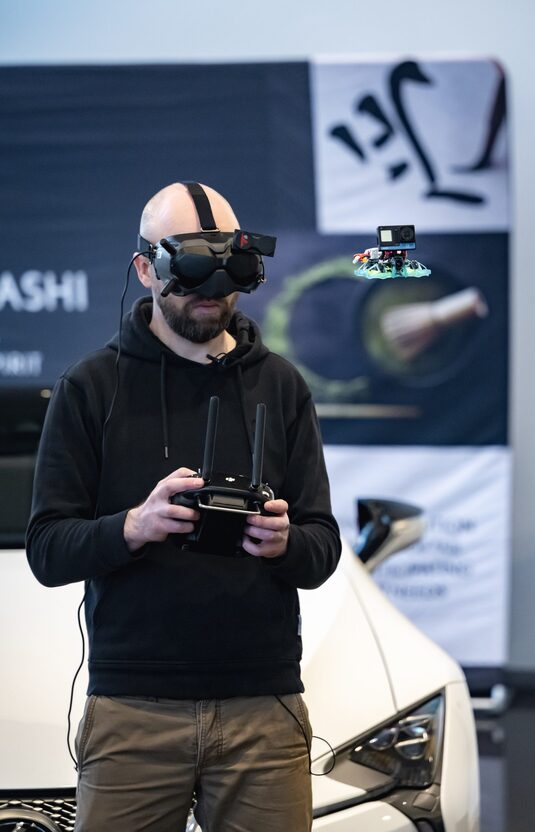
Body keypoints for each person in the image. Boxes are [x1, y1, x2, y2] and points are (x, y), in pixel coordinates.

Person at [26, 181, 342, 832]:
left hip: (263, 705)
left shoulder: (279, 385)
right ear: (145, 268)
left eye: (228, 268)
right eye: (191, 269)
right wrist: (134, 527)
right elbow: (49, 550)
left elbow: (321, 547)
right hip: (134, 710)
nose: (212, 290)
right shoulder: (92, 387)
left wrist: (287, 544)